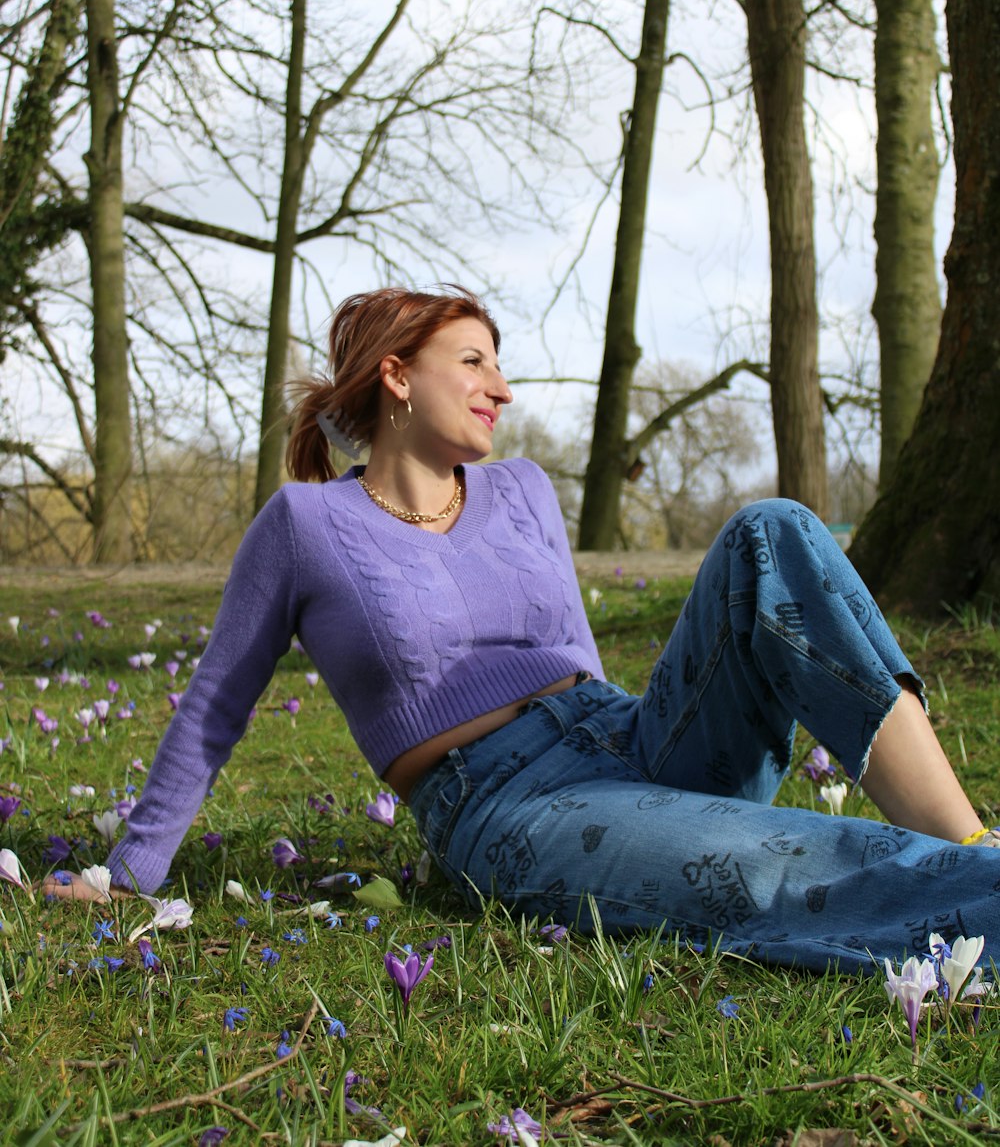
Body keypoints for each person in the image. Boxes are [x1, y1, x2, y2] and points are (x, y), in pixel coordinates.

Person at [45, 287, 1000, 974]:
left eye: (499, 366)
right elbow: (214, 703)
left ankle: (973, 848)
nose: (500, 388)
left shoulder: (524, 490)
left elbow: (575, 656)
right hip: (507, 803)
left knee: (773, 531)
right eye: (474, 361)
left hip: (625, 735)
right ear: (396, 377)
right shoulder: (304, 528)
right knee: (768, 861)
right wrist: (129, 874)